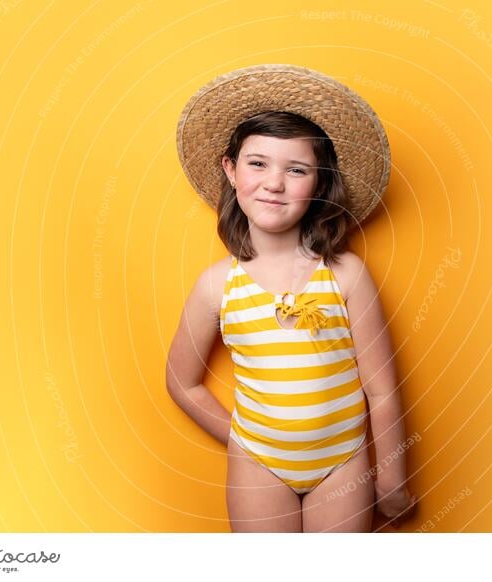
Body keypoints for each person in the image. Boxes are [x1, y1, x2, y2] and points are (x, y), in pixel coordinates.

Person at [167, 64, 417, 532]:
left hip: (342, 459)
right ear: (230, 169)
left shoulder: (346, 275)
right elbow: (182, 382)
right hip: (258, 465)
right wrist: (244, 443)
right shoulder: (217, 284)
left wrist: (393, 479)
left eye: (296, 170)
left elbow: (381, 387)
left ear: (320, 183)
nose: (274, 183)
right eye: (257, 163)